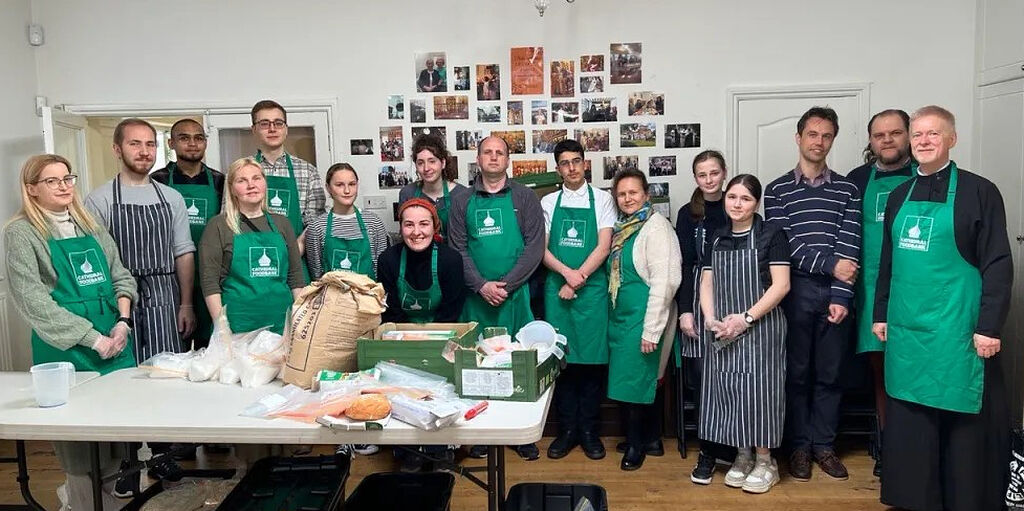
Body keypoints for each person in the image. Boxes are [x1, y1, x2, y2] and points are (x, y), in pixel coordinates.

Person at [873, 105, 1012, 511]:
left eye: (933, 134)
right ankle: (914, 500)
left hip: (958, 331)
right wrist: (881, 313)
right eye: (917, 135)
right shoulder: (899, 195)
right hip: (908, 331)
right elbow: (888, 263)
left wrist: (990, 326)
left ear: (952, 139)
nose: (924, 141)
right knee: (911, 420)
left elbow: (998, 264)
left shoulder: (979, 192)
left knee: (959, 422)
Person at [5, 154, 136, 510]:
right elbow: (35, 302)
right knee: (80, 446)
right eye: (52, 181)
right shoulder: (21, 233)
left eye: (68, 178)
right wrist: (93, 338)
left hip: (116, 338)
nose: (64, 186)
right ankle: (82, 502)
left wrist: (122, 323)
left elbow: (121, 276)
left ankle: (104, 502)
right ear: (31, 189)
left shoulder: (89, 223)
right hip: (68, 350)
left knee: (117, 437)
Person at [764, 106, 861, 481]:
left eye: (826, 136)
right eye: (812, 134)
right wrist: (829, 265)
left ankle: (824, 446)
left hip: (836, 296)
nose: (819, 142)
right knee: (797, 374)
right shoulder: (777, 190)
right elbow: (783, 245)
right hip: (795, 292)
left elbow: (849, 245)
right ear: (798, 137)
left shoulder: (848, 190)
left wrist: (841, 295)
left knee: (831, 375)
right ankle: (799, 448)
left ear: (832, 140)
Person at [449, 135, 544, 461]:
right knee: (477, 364)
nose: (493, 157)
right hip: (476, 299)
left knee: (519, 362)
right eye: (487, 152)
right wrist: (481, 285)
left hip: (514, 297)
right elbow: (457, 248)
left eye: (499, 153)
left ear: (507, 161)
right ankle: (480, 433)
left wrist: (505, 285)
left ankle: (521, 433)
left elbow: (535, 247)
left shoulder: (525, 197)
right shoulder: (462, 200)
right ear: (478, 159)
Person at [698, 174, 791, 493]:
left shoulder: (772, 235)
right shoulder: (718, 237)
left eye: (746, 199)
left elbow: (781, 285)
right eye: (732, 197)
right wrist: (711, 319)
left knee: (761, 394)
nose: (737, 204)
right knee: (730, 392)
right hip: (724, 329)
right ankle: (742, 456)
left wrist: (747, 318)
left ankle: (766, 462)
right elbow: (706, 282)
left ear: (756, 203)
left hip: (761, 328)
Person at [85, 118, 196, 363]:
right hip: (117, 301)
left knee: (169, 370)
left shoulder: (172, 198)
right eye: (135, 144)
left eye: (150, 144)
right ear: (117, 149)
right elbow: (96, 262)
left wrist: (186, 304)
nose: (144, 152)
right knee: (121, 375)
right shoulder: (99, 200)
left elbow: (184, 252)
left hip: (166, 299)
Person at [844, 109, 914, 478]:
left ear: (909, 136)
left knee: (913, 371)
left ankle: (914, 446)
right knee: (882, 373)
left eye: (895, 133)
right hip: (870, 290)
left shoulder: (928, 178)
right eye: (879, 135)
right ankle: (889, 446)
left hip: (917, 291)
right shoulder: (857, 180)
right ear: (870, 141)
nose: (887, 140)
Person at [377, 199, 467, 471]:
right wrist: (409, 341)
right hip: (401, 335)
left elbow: (453, 307)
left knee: (440, 391)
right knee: (402, 392)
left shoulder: (451, 259)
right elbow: (389, 309)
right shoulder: (388, 260)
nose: (416, 231)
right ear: (401, 227)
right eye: (409, 224)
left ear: (434, 226)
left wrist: (431, 341)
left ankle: (439, 448)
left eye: (424, 224)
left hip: (443, 334)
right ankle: (409, 449)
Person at [540, 140, 616, 461]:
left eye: (576, 161)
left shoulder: (602, 199)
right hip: (557, 292)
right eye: (564, 163)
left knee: (592, 365)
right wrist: (566, 275)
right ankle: (566, 431)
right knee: (563, 364)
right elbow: (541, 249)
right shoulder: (546, 202)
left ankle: (589, 432)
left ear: (585, 164)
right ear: (558, 168)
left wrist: (578, 278)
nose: (571, 168)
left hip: (592, 293)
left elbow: (603, 246)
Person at [606, 169, 681, 471]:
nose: (627, 199)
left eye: (633, 192)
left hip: (645, 316)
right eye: (622, 194)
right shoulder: (622, 228)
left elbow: (666, 281)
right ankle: (649, 439)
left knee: (637, 383)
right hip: (622, 317)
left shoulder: (656, 227)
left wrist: (652, 330)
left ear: (646, 194)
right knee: (630, 382)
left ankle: (636, 446)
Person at [676, 150, 737, 484]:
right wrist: (685, 310)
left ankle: (735, 448)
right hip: (699, 298)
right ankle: (707, 451)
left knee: (733, 377)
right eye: (703, 174)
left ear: (724, 173)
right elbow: (685, 265)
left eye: (715, 173)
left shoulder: (737, 204)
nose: (710, 179)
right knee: (702, 382)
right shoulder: (689, 214)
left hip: (735, 296)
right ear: (696, 178)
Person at [199, 157, 304, 336]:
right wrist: (221, 327)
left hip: (281, 323)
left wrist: (301, 322)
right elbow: (210, 283)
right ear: (232, 189)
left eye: (257, 178)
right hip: (237, 324)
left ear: (264, 183)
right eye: (242, 180)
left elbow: (295, 278)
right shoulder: (218, 226)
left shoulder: (282, 224)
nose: (251, 185)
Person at [151, 118, 224, 349]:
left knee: (212, 346)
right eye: (184, 138)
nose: (192, 144)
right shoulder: (156, 181)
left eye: (198, 138)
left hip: (211, 274)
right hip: (170, 275)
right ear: (171, 143)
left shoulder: (220, 181)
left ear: (205, 143)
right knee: (173, 346)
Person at [250, 99, 326, 277]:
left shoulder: (307, 171)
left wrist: (292, 252)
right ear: (254, 129)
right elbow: (230, 220)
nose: (272, 128)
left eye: (278, 123)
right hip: (251, 262)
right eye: (264, 124)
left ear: (286, 128)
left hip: (295, 263)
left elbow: (315, 223)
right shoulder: (240, 171)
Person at [305, 163, 390, 280]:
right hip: (332, 296)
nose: (347, 190)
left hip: (368, 295)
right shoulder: (317, 227)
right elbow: (316, 275)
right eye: (339, 185)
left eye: (352, 184)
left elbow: (381, 269)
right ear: (328, 187)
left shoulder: (373, 223)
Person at [398, 135, 467, 242]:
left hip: (453, 256)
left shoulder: (462, 194)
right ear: (416, 166)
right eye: (420, 163)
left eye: (432, 161)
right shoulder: (407, 194)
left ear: (443, 163)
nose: (426, 168)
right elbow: (405, 234)